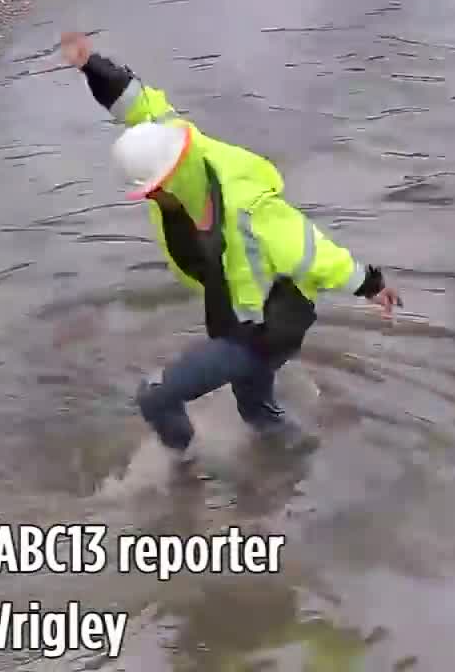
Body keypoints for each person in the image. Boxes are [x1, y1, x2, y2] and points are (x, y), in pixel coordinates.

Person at [58, 31, 403, 468]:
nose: (148, 199)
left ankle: (180, 473)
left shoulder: (244, 205)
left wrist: (370, 284)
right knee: (256, 411)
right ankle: (299, 462)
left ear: (162, 181)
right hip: (240, 318)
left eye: (150, 192)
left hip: (259, 330)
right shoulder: (174, 140)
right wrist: (91, 64)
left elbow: (309, 250)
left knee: (156, 397)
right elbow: (136, 104)